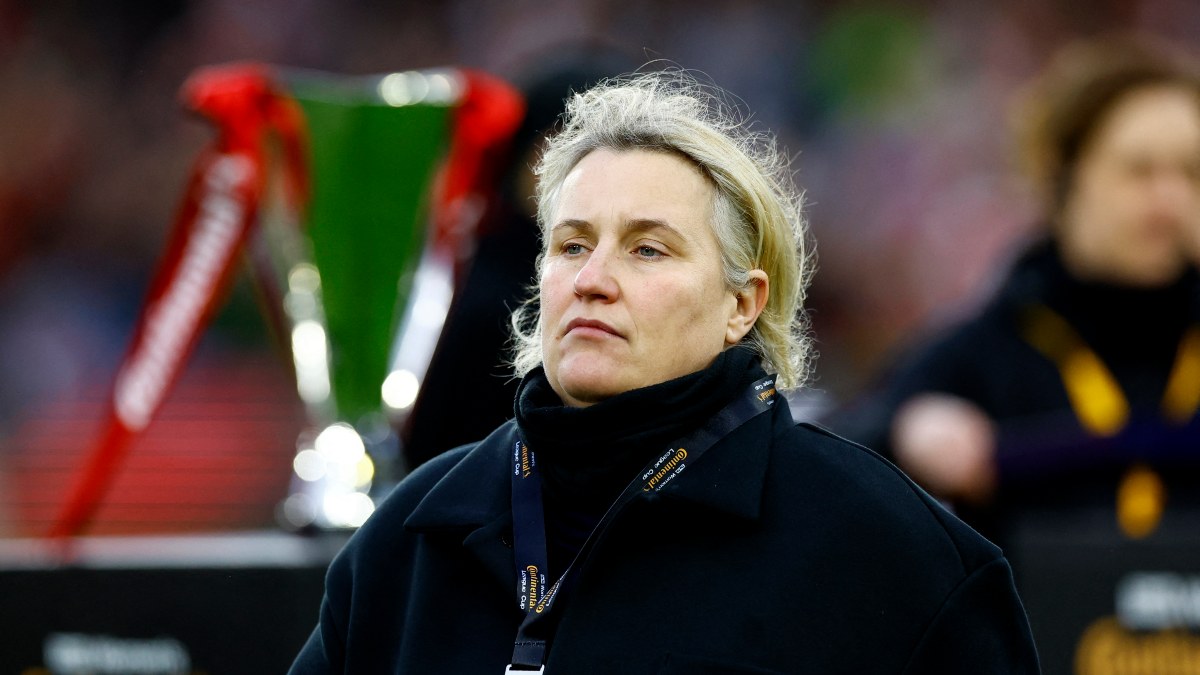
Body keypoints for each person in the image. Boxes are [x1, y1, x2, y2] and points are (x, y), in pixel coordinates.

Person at [290, 69, 1040, 674]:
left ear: (742, 305)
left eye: (647, 249)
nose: (593, 278)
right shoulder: (410, 536)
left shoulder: (891, 554)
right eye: (573, 245)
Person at [825, 33, 1200, 544]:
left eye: (1191, 172)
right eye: (1139, 171)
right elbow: (843, 448)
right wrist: (909, 432)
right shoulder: (990, 348)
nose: (1171, 199)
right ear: (1063, 180)